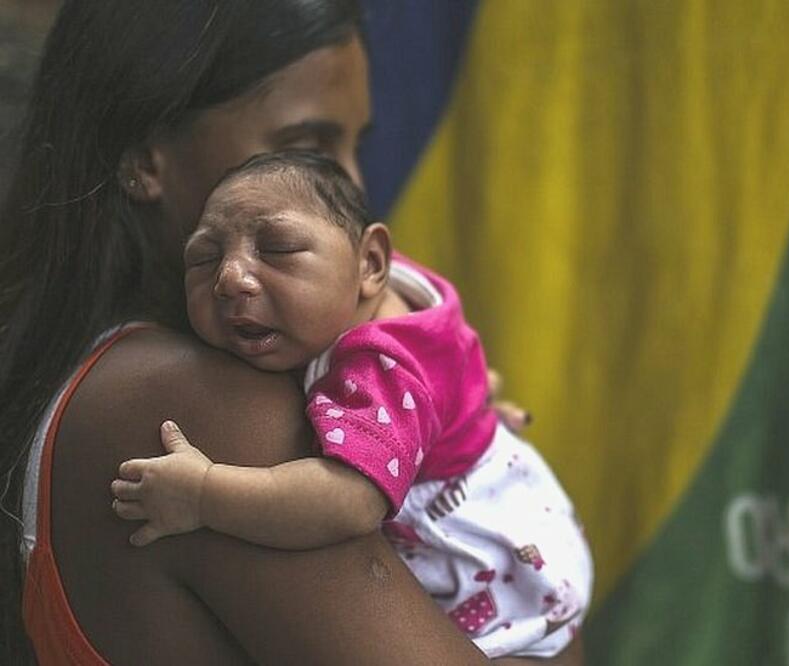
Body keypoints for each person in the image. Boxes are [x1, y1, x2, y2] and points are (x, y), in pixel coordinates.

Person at [0, 1, 581, 663]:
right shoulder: (196, 403)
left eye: (355, 149)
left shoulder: (92, 364)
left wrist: (442, 426)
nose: (351, 187)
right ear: (144, 159)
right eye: (307, 147)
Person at [109, 151, 593, 658]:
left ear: (371, 263)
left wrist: (204, 494)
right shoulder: (383, 286)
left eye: (278, 248)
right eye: (203, 258)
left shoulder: (380, 368)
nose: (229, 278)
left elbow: (350, 501)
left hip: (495, 573)